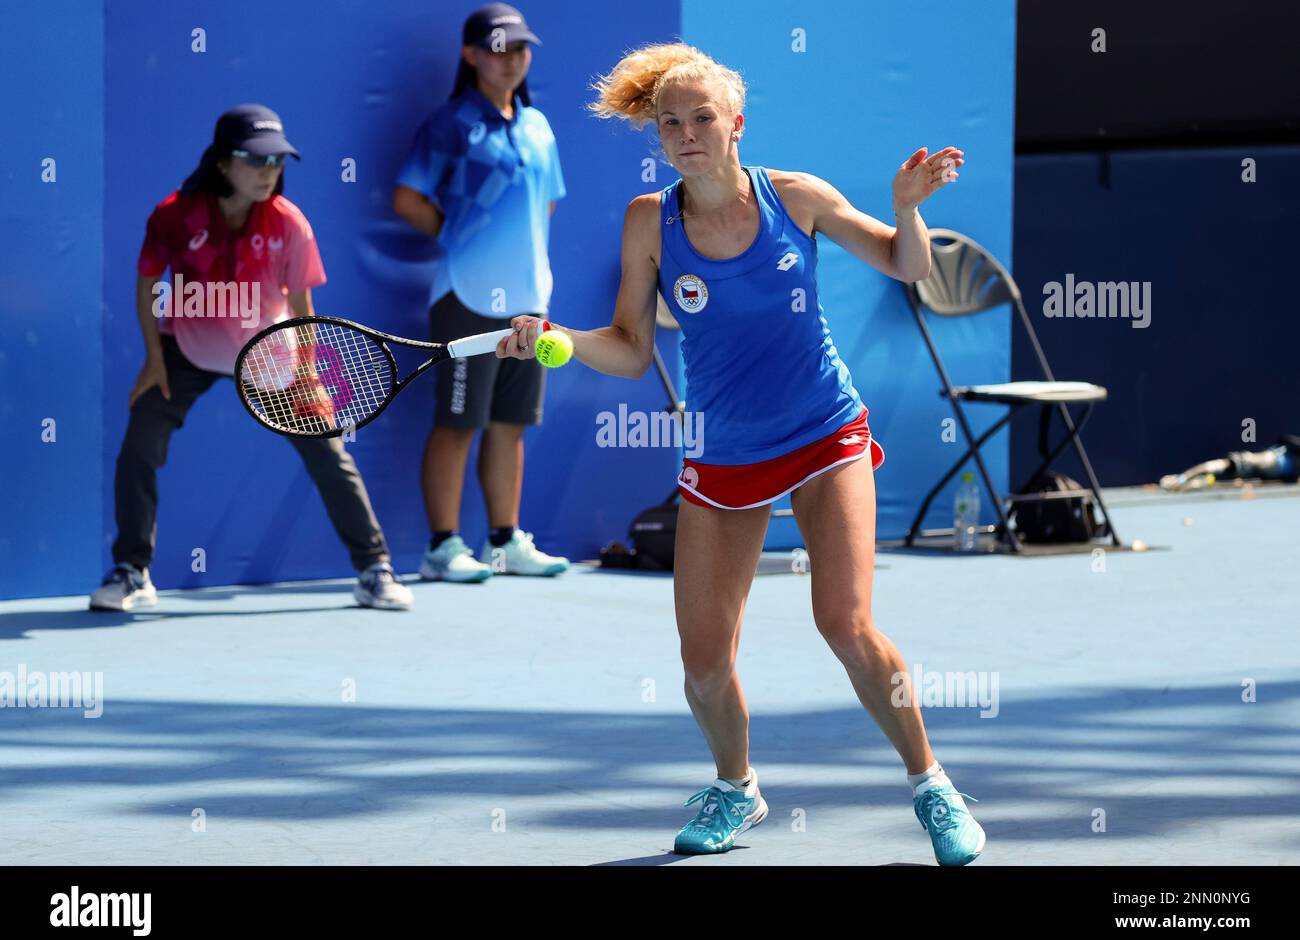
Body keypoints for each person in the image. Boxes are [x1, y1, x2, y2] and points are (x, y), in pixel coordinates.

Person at [498, 44, 987, 864]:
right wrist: (557, 339)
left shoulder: (796, 198)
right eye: (670, 123)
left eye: (701, 118)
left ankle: (932, 784)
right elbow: (627, 345)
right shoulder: (649, 222)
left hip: (824, 433)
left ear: (736, 126)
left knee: (845, 622)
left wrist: (907, 209)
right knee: (701, 665)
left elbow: (909, 267)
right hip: (725, 452)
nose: (685, 133)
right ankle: (737, 788)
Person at [91, 104, 413, 612]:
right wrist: (154, 358)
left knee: (329, 454)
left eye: (277, 162)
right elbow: (149, 284)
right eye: (256, 160)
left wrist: (308, 371)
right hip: (187, 350)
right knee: (140, 444)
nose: (269, 173)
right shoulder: (173, 215)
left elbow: (304, 305)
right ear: (223, 162)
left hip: (271, 355)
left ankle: (375, 568)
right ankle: (132, 570)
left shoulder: (288, 223)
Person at [392, 3, 569, 583]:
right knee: (459, 422)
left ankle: (504, 542)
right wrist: (462, 238)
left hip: (530, 299)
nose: (512, 60)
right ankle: (441, 548)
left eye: (521, 49)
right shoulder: (447, 124)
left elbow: (544, 207)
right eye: (499, 48)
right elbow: (407, 199)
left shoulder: (539, 125)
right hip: (465, 298)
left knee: (510, 422)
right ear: (470, 55)